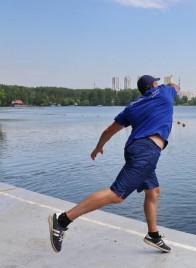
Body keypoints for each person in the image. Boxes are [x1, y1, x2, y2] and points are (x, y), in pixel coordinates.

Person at [48, 75, 180, 253]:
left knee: (153, 191)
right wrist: (168, 85)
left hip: (136, 149)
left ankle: (153, 235)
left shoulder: (132, 107)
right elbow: (176, 86)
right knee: (116, 194)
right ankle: (62, 220)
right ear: (154, 84)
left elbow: (109, 130)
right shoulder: (165, 91)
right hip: (146, 152)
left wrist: (98, 147)